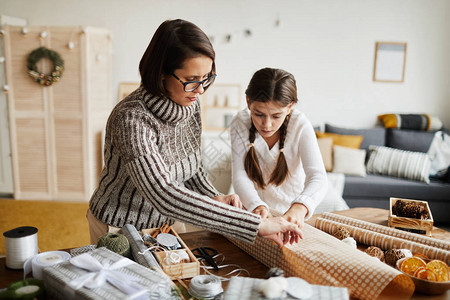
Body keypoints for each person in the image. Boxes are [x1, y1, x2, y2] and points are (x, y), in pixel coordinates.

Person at [87, 19, 302, 248]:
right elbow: (163, 193)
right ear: (161, 73)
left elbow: (192, 167)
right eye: (190, 81)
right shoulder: (131, 119)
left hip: (168, 225)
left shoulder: (190, 104)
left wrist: (213, 196)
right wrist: (254, 224)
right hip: (120, 227)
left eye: (206, 78)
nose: (200, 90)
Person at [230, 67, 328, 229]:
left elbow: (318, 176)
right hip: (255, 212)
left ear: (290, 107)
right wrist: (256, 206)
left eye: (276, 116)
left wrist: (299, 207)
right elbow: (240, 175)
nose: (267, 125)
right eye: (259, 114)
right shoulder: (239, 122)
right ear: (248, 102)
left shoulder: (300, 124)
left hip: (291, 212)